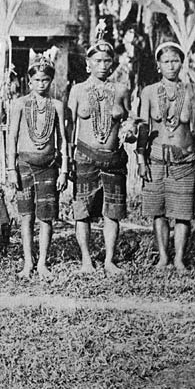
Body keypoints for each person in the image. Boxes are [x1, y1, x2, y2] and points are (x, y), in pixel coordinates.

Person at [137, 42, 195, 272]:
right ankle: (163, 257)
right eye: (166, 62)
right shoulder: (148, 92)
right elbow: (142, 129)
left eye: (175, 61)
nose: (171, 66)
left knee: (182, 213)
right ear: (158, 66)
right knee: (158, 211)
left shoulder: (194, 92)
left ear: (182, 63)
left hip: (186, 160)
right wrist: (140, 160)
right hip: (156, 159)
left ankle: (179, 258)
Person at [67, 21, 131, 275]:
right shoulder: (78, 90)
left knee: (112, 212)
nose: (102, 65)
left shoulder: (121, 90)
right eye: (97, 61)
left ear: (112, 63)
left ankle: (110, 260)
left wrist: (130, 131)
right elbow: (68, 128)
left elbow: (129, 121)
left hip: (113, 159)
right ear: (88, 64)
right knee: (82, 211)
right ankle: (85, 259)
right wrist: (67, 161)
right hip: (85, 157)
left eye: (107, 61)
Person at [6, 49, 68, 279]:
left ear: (51, 80)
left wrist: (64, 170)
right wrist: (11, 169)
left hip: (49, 165)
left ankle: (42, 262)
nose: (41, 84)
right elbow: (11, 137)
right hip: (24, 165)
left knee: (46, 215)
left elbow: (62, 139)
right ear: (29, 80)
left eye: (45, 79)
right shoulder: (20, 104)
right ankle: (28, 263)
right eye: (36, 80)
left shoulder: (57, 106)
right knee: (26, 216)